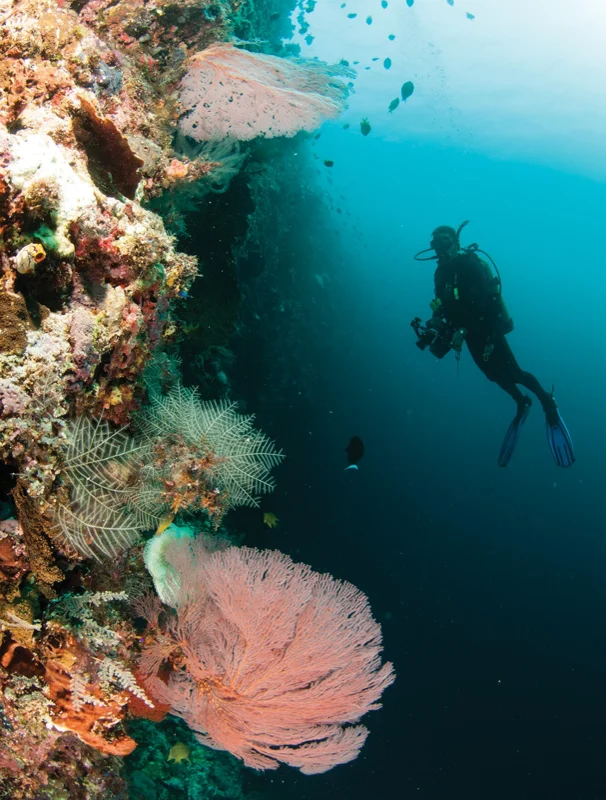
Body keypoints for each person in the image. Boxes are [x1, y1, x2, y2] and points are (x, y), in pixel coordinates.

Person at [414, 223, 575, 468]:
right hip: (465, 333)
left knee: (514, 372)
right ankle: (522, 402)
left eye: (445, 243)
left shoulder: (468, 264)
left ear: (456, 243)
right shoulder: (440, 273)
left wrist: (464, 328)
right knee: (492, 375)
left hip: (487, 330)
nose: (440, 249)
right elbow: (444, 305)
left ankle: (546, 402)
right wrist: (436, 322)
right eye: (435, 245)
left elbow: (484, 303)